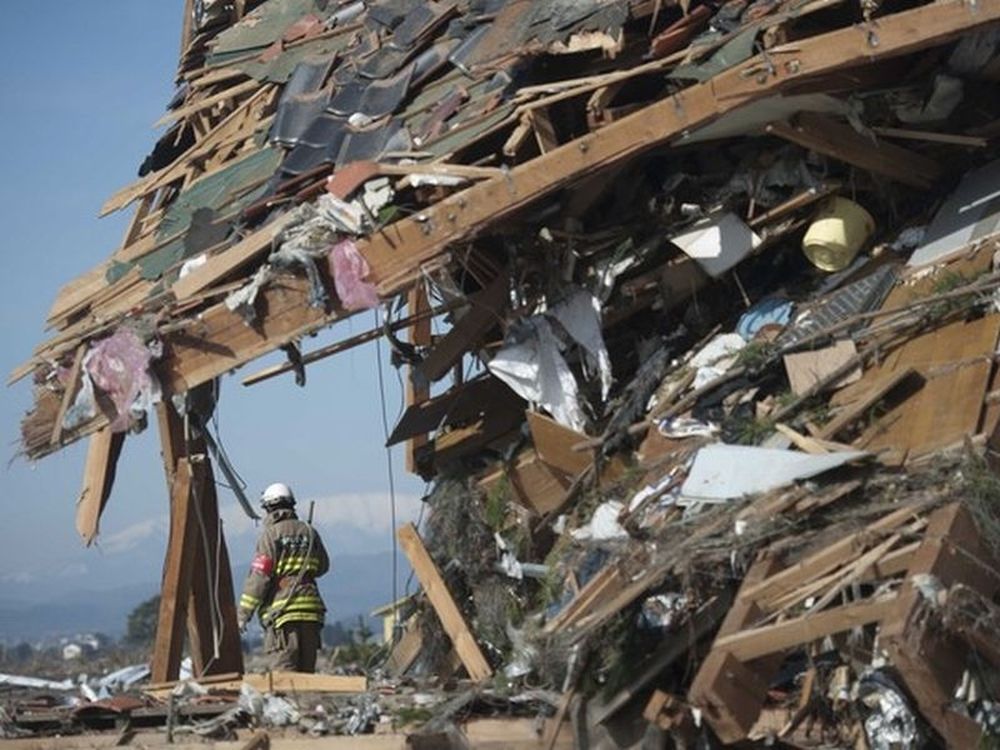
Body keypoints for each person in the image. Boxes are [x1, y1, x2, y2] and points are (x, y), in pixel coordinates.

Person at [237, 483, 330, 672]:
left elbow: (259, 578)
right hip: (312, 612)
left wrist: (243, 615)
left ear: (269, 508)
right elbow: (322, 567)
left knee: (284, 676)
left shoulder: (270, 536)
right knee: (306, 676)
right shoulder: (310, 532)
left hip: (283, 614)